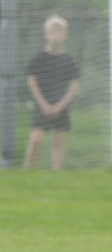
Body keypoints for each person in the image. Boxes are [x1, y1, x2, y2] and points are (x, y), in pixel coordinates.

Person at [24, 15, 80, 171]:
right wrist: (43, 104)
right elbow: (32, 81)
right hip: (42, 105)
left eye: (59, 32)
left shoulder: (68, 60)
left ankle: (57, 172)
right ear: (46, 35)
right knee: (36, 139)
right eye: (52, 32)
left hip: (60, 106)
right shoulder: (39, 58)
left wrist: (61, 105)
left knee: (58, 140)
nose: (56, 35)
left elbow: (74, 85)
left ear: (65, 35)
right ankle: (28, 171)